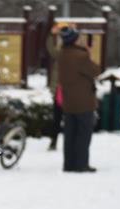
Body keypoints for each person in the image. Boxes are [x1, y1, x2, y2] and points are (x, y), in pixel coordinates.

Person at [57, 26, 102, 172]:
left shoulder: (62, 54)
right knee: (83, 134)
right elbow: (96, 71)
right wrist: (88, 53)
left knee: (70, 134)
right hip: (84, 102)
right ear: (74, 39)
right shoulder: (81, 56)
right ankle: (81, 164)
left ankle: (69, 164)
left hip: (68, 101)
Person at [45, 23, 69, 151]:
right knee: (60, 117)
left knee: (58, 117)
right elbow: (51, 49)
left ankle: (55, 141)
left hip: (64, 90)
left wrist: (51, 34)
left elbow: (51, 49)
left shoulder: (63, 53)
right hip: (62, 91)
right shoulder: (62, 52)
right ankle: (55, 141)